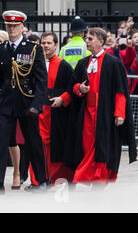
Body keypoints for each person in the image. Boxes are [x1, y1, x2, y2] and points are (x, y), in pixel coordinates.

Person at [67, 27, 137, 186]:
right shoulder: (83, 62)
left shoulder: (113, 63)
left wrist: (120, 113)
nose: (87, 42)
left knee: (102, 146)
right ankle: (88, 176)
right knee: (86, 145)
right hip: (86, 112)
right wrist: (79, 88)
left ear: (101, 41)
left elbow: (121, 90)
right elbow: (73, 85)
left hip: (104, 113)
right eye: (87, 39)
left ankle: (98, 179)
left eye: (90, 39)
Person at [0, 10, 49, 195]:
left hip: (27, 100)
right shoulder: (0, 49)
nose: (12, 29)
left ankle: (42, 180)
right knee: (1, 142)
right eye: (9, 26)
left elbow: (41, 79)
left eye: (15, 26)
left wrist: (37, 104)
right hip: (7, 100)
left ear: (23, 27)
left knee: (33, 141)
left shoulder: (33, 48)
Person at [27, 32, 74, 186]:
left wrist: (63, 98)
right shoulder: (33, 64)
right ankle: (37, 180)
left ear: (56, 45)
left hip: (56, 114)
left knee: (55, 147)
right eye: (43, 43)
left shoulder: (64, 65)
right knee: (35, 145)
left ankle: (54, 179)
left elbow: (72, 88)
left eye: (49, 43)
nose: (45, 46)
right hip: (37, 112)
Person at [0, 29, 22, 190]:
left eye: (0, 41)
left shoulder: (8, 53)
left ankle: (17, 172)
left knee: (11, 141)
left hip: (11, 99)